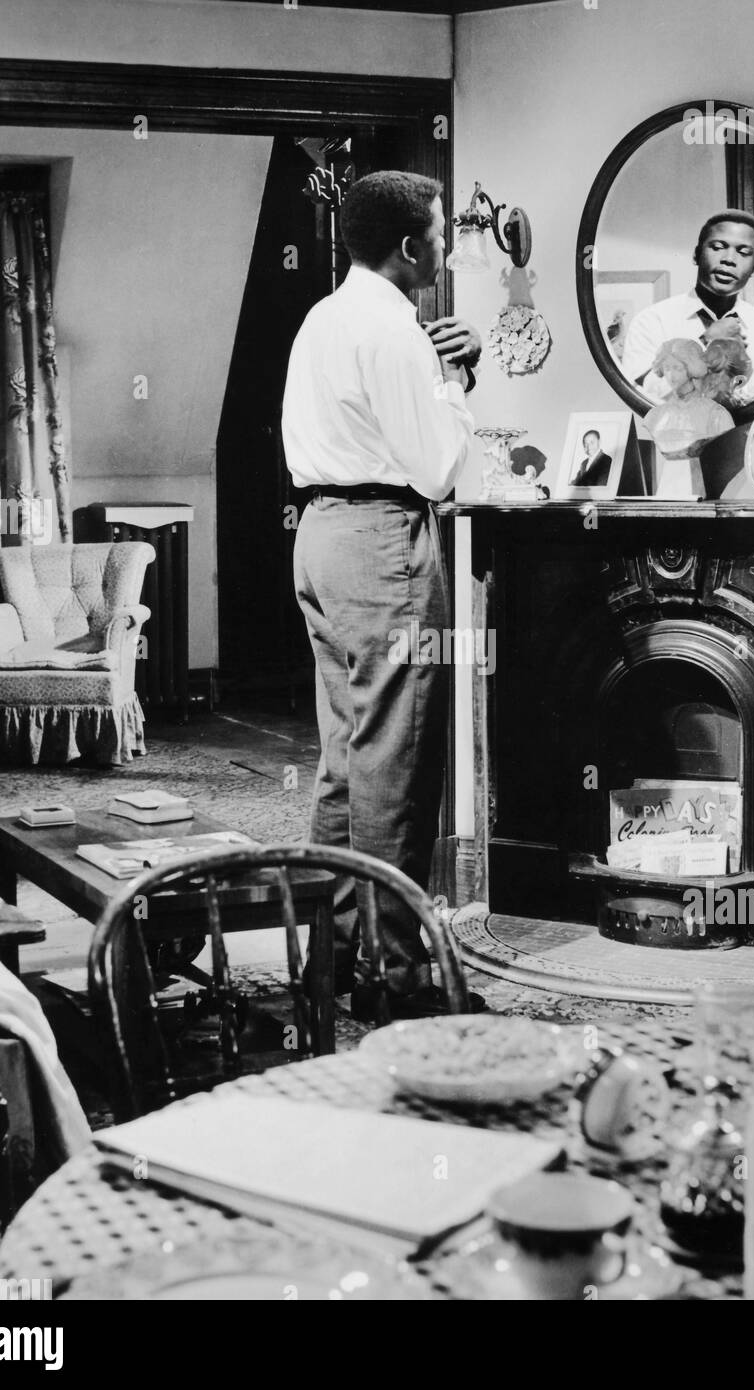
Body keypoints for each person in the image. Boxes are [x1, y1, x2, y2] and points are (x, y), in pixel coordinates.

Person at [282, 170, 485, 1021]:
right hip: (383, 543)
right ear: (411, 247)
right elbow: (440, 469)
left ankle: (328, 959)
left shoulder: (324, 317)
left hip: (322, 536)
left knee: (347, 756)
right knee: (397, 760)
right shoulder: (397, 331)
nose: (444, 250)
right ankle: (400, 978)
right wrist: (456, 380)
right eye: (440, 236)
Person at [620, 210, 754, 403]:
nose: (729, 259)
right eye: (718, 247)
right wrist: (705, 343)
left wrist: (743, 366)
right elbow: (644, 395)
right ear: (696, 255)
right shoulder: (652, 321)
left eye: (744, 252)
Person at [642, 339, 734, 500]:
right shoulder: (654, 417)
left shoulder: (716, 415)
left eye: (677, 368)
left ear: (692, 369)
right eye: (667, 368)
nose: (671, 375)